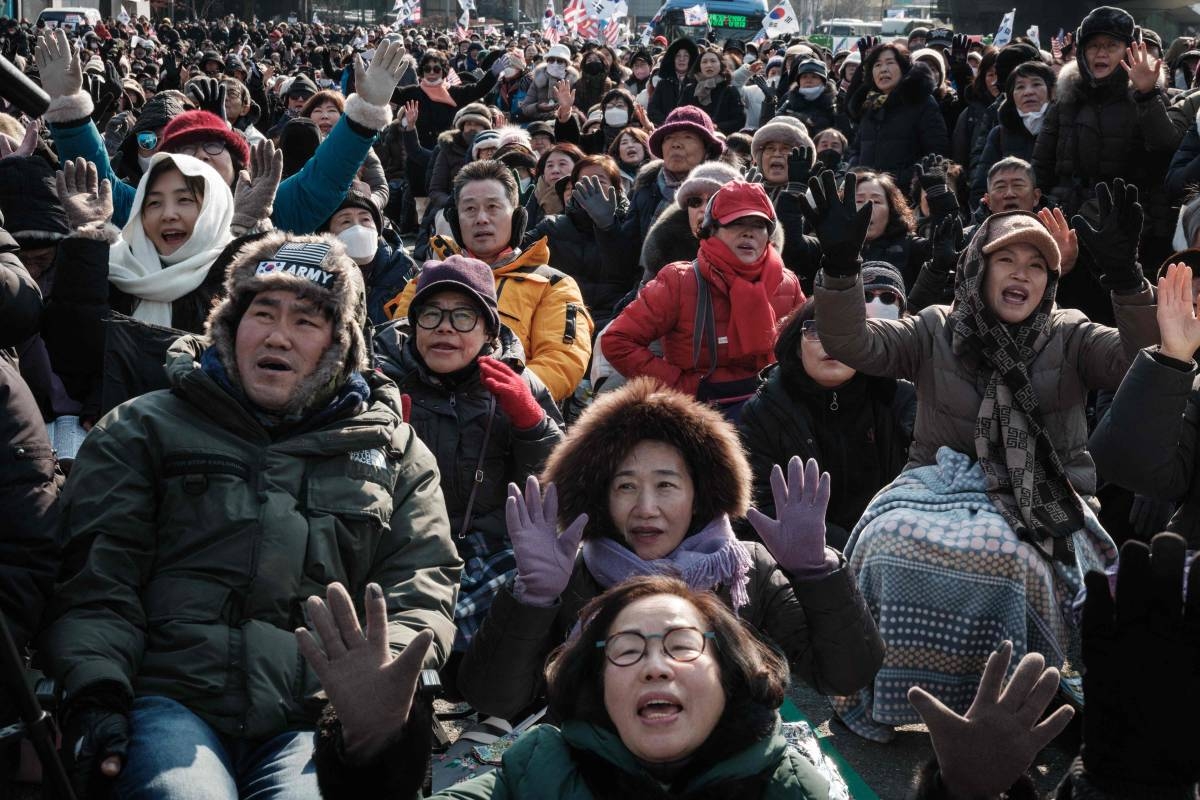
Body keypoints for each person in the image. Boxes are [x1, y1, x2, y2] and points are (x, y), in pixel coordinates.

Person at [37, 231, 462, 799]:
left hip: (312, 723)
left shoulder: (398, 455)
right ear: (229, 324)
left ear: (342, 345)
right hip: (164, 700)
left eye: (307, 322)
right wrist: (97, 691)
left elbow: (420, 587)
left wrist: (379, 691)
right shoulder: (142, 427)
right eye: (263, 312)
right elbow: (97, 578)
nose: (278, 336)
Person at [804, 170, 1157, 740]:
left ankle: (1018, 713)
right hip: (934, 483)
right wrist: (840, 266)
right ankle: (887, 698)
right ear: (977, 266)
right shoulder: (937, 327)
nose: (1022, 273)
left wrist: (1126, 279)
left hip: (1043, 489)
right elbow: (852, 343)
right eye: (1006, 260)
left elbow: (1144, 364)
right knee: (882, 544)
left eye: (1037, 265)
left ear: (1050, 280)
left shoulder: (1068, 333)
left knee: (1010, 557)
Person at [458, 378, 884, 721]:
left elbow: (846, 674)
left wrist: (817, 573)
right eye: (625, 486)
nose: (646, 509)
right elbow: (494, 699)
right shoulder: (569, 573)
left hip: (730, 765)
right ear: (600, 496)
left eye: (666, 485)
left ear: (699, 494)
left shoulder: (745, 570)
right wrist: (531, 599)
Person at [301, 576, 839, 799]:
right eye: (626, 650)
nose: (654, 666)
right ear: (597, 685)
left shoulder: (791, 788)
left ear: (729, 671)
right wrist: (374, 753)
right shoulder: (534, 770)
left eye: (680, 645)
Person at [374, 255, 563, 660]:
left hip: (491, 547)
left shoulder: (519, 383)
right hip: (403, 545)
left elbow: (556, 483)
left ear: (488, 330)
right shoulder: (380, 380)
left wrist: (532, 424)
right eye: (431, 315)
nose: (445, 327)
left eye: (463, 316)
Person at [36, 30, 410, 235]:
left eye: (213, 145)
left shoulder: (270, 210)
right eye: (185, 150)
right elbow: (100, 183)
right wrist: (69, 112)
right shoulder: (144, 212)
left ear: (238, 165)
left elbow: (324, 180)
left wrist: (363, 117)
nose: (200, 155)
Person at [384, 159, 593, 403]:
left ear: (517, 218)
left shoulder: (553, 285)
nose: (481, 219)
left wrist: (497, 397)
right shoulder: (424, 281)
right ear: (455, 221)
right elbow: (397, 349)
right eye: (470, 209)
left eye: (493, 207)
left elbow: (562, 362)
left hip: (509, 421)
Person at [739, 288, 916, 550]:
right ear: (797, 348)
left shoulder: (897, 399)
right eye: (815, 330)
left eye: (844, 331)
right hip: (800, 556)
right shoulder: (765, 410)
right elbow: (756, 506)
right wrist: (842, 547)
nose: (831, 342)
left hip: (890, 546)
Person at [604, 181, 803, 412]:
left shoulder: (786, 282)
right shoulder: (680, 280)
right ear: (711, 230)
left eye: (759, 225)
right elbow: (617, 341)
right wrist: (682, 387)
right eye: (736, 223)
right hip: (699, 414)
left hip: (771, 410)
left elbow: (804, 350)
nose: (748, 232)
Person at [524, 155, 637, 331]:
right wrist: (516, 213)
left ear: (617, 188)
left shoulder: (632, 224)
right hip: (563, 317)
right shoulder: (553, 226)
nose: (593, 188)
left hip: (616, 318)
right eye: (583, 182)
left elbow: (627, 274)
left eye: (600, 181)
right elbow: (516, 247)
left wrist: (608, 227)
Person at [847, 43, 949, 189]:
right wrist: (855, 173)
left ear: (903, 68)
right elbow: (857, 149)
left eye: (890, 63)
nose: (883, 69)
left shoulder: (921, 101)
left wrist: (902, 178)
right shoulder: (870, 103)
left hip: (905, 191)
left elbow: (936, 151)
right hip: (868, 191)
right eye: (877, 65)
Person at [318, 189, 415, 324]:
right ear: (327, 234)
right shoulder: (316, 276)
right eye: (346, 222)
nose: (358, 228)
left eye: (365, 219)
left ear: (377, 230)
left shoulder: (403, 267)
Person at [677, 47, 746, 135]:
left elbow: (739, 120)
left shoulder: (729, 90)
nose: (709, 65)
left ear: (721, 64)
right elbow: (679, 114)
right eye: (704, 62)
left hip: (720, 137)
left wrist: (717, 127)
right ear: (699, 66)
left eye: (713, 61)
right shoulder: (689, 89)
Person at [647, 37, 699, 125]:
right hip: (666, 128)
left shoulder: (697, 84)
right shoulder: (663, 84)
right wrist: (669, 123)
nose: (681, 59)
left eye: (686, 56)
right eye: (678, 55)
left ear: (691, 59)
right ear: (673, 59)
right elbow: (652, 110)